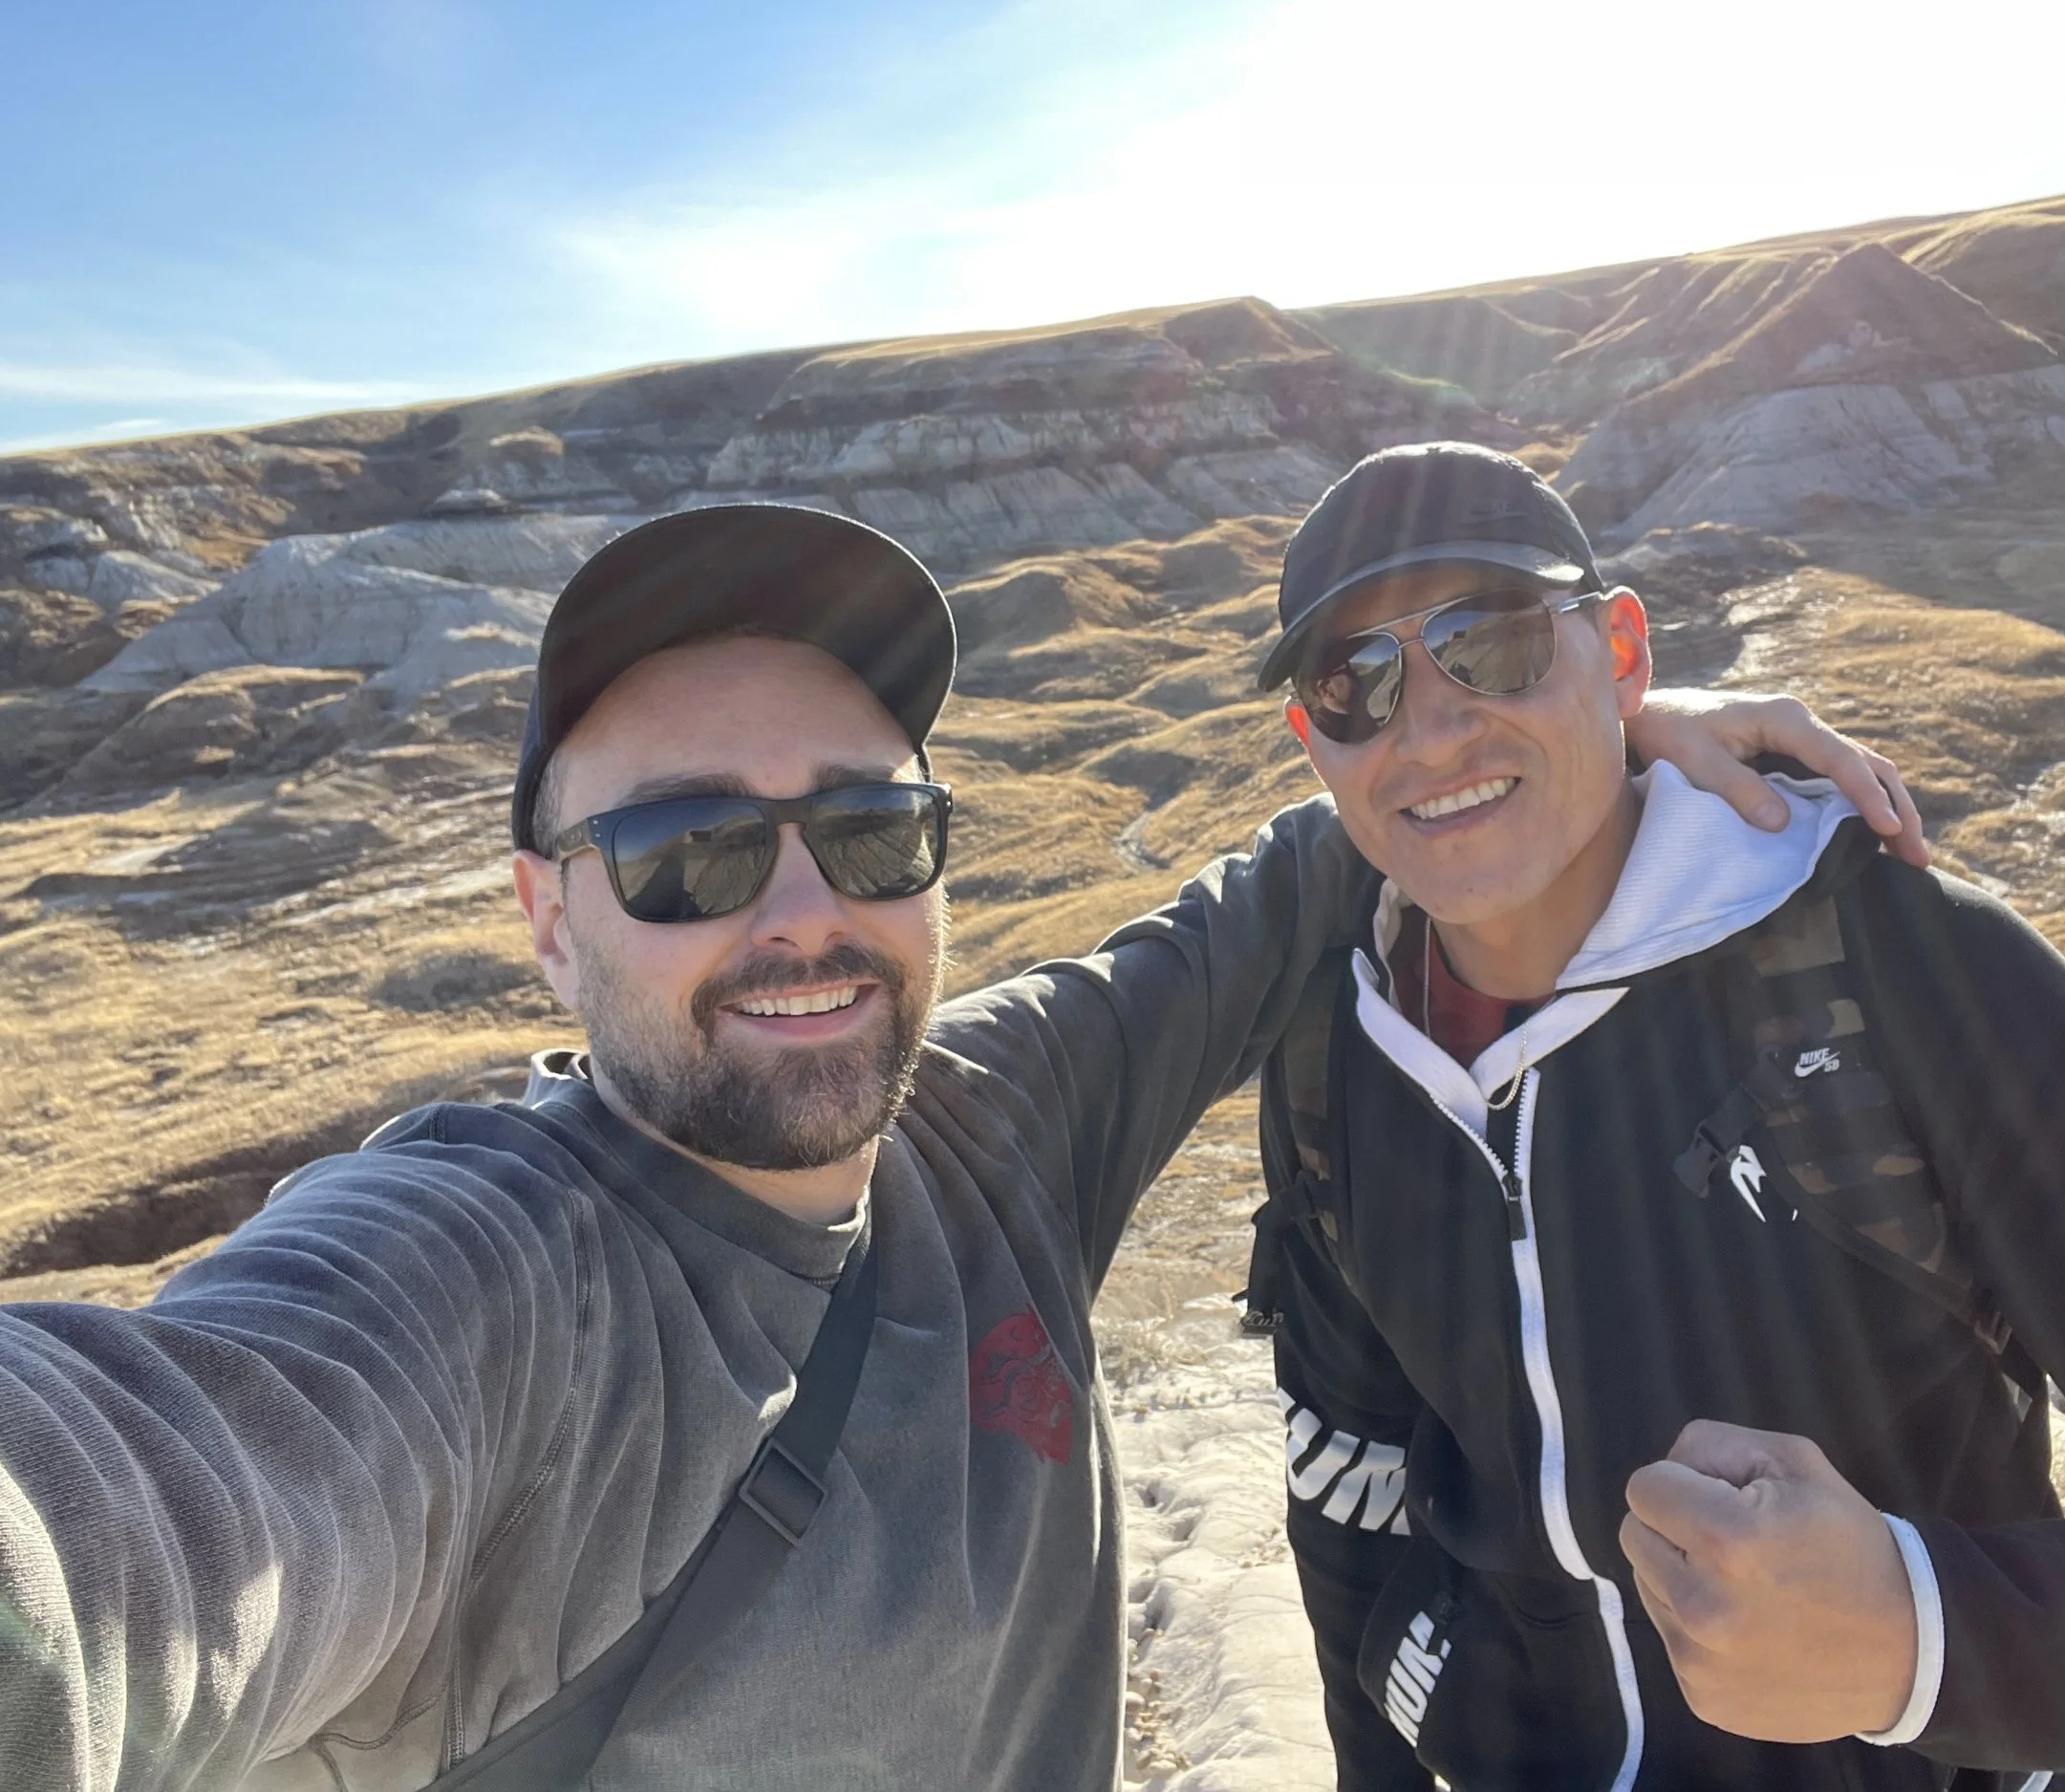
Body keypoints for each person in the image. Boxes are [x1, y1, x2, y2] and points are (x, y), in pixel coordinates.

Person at [0, 502, 1907, 1791]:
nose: (801, 916)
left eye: (869, 831)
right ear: (545, 918)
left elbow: (1274, 897)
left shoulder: (997, 1119)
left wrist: (1570, 730)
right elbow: (133, 1517)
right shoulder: (488, 1280)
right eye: (685, 852)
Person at [1245, 442, 2065, 1792]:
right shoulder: (1335, 1050)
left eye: (1490, 643)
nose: (1432, 729)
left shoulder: (1897, 969)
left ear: (1622, 654)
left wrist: (1923, 1637)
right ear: (1313, 743)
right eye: (1357, 682)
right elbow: (1350, 1484)